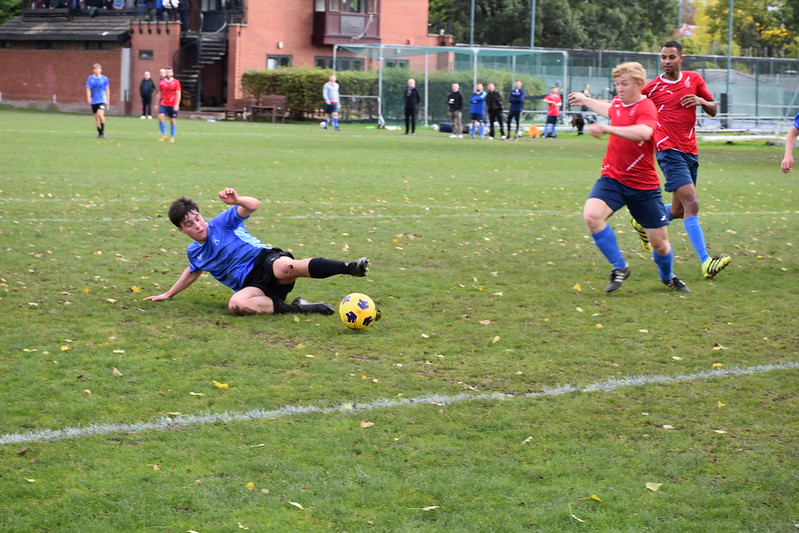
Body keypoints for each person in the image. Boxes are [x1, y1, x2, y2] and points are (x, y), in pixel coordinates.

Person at [145, 188, 371, 315]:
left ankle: (350, 268)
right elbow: (193, 271)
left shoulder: (221, 223)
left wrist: (237, 200)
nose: (198, 225)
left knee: (286, 267)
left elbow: (253, 205)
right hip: (253, 287)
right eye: (190, 225)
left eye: (198, 218)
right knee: (237, 305)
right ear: (181, 230)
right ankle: (301, 308)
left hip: (263, 261)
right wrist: (168, 294)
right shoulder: (195, 252)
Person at [568, 62, 691, 294]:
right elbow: (609, 109)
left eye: (624, 84)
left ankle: (668, 277)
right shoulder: (618, 103)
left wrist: (608, 129)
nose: (619, 88)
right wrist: (585, 100)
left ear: (639, 85)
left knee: (660, 245)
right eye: (616, 84)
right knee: (592, 216)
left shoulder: (647, 107)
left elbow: (644, 132)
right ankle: (620, 267)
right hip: (612, 179)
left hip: (643, 186)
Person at [632, 40, 731, 280]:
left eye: (671, 57)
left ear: (681, 59)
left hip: (691, 151)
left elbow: (714, 108)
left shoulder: (694, 80)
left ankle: (643, 222)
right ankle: (706, 262)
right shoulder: (652, 87)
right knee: (692, 202)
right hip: (667, 150)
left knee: (678, 209)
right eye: (663, 57)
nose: (666, 62)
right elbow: (631, 106)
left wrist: (702, 102)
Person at [154, 66, 181, 142]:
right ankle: (164, 134)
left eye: (169, 72)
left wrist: (177, 104)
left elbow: (178, 93)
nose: (167, 73)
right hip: (164, 103)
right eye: (166, 72)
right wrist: (156, 104)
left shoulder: (176, 82)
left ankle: (172, 136)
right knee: (160, 117)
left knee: (172, 120)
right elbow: (159, 93)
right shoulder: (162, 82)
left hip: (172, 104)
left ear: (172, 73)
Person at [85, 63, 110, 139]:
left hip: (102, 99)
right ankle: (100, 133)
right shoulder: (90, 78)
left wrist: (108, 100)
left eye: (98, 69)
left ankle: (103, 131)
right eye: (95, 69)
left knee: (100, 115)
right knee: (96, 118)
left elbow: (107, 89)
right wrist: (88, 97)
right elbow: (88, 88)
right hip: (94, 100)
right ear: (93, 70)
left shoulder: (104, 78)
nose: (97, 71)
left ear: (101, 70)